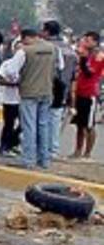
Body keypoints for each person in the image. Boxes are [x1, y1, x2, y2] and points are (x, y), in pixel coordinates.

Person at [17, 28, 57, 170]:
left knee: (29, 126)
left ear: (27, 38)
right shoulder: (53, 49)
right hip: (46, 91)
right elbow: (59, 67)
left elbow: (12, 71)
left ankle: (28, 159)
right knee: (44, 126)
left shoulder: (25, 51)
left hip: (29, 92)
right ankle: (44, 160)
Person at [71, 31, 104, 160]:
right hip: (80, 91)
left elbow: (90, 73)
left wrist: (83, 59)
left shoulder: (98, 56)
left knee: (89, 125)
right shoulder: (85, 55)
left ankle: (87, 152)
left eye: (88, 41)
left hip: (90, 93)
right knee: (80, 124)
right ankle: (77, 150)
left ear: (95, 42)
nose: (85, 43)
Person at [44, 20, 75, 159]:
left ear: (46, 31)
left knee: (42, 119)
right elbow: (73, 75)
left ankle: (43, 148)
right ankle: (53, 149)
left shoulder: (46, 48)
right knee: (55, 120)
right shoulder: (70, 51)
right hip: (63, 89)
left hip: (46, 87)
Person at [0, 40, 24, 156]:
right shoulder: (7, 64)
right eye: (18, 48)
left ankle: (13, 143)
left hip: (23, 99)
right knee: (9, 124)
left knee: (24, 124)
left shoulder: (28, 64)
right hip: (10, 99)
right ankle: (4, 146)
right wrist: (12, 84)